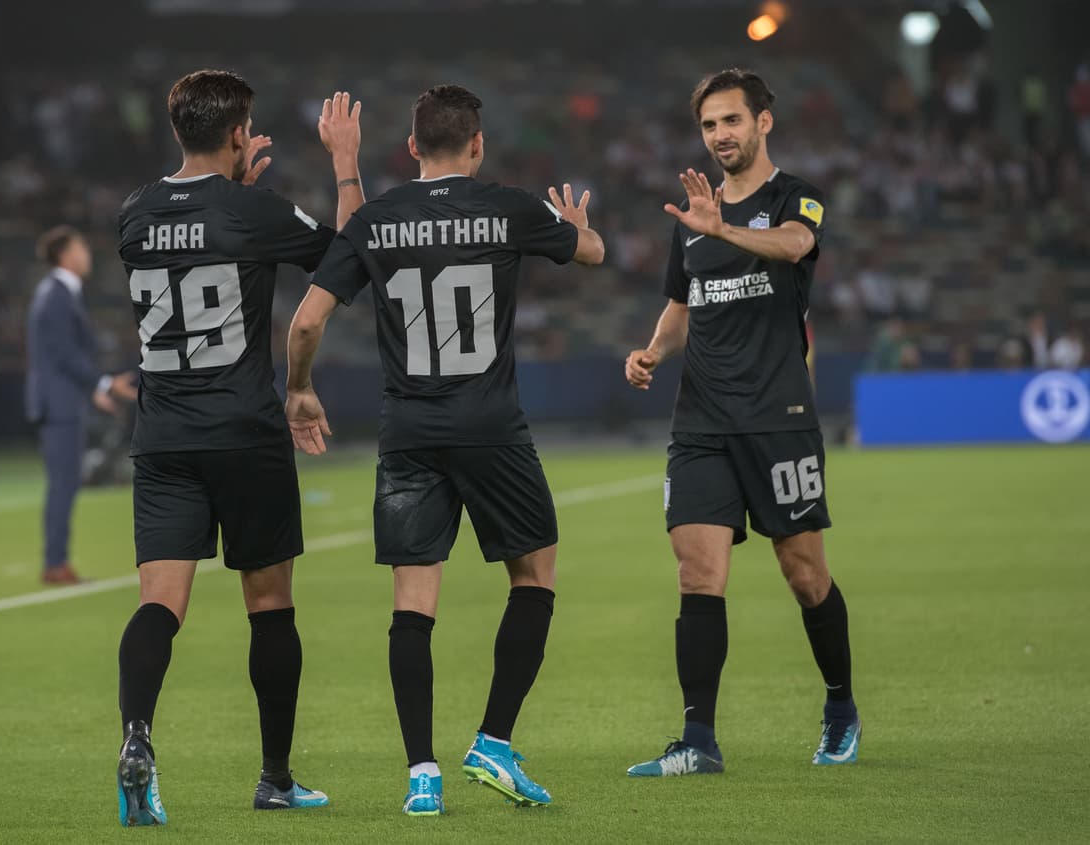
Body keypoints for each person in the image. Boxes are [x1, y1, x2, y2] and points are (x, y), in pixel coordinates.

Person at [284, 84, 604, 816]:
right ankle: (493, 741)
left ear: (412, 148)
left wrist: (299, 388)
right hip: (492, 426)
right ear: (477, 145)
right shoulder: (511, 206)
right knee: (535, 577)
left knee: (412, 604)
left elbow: (306, 320)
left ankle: (420, 772)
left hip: (411, 434)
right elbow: (591, 252)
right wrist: (578, 226)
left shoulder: (376, 218)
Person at [112, 70, 364, 826]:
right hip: (244, 431)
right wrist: (345, 162)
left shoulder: (134, 213)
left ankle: (136, 738)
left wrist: (233, 185)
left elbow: (195, 232)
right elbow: (348, 253)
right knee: (270, 604)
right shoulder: (252, 210)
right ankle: (276, 777)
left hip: (162, 436)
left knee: (160, 602)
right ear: (235, 133)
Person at [623, 69, 861, 777]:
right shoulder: (695, 216)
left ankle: (841, 706)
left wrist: (723, 227)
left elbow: (793, 246)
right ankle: (698, 739)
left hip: (778, 416)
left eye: (731, 120)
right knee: (698, 573)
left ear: (764, 123)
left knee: (805, 572)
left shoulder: (797, 196)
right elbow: (683, 302)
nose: (720, 135)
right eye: (708, 125)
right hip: (700, 419)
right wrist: (652, 351)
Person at [25, 225, 133, 585]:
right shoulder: (56, 294)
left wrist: (93, 393)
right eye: (82, 248)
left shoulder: (61, 293)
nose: (87, 254)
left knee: (66, 484)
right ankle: (55, 564)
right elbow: (64, 353)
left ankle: (57, 561)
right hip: (58, 405)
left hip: (64, 400)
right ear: (65, 254)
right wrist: (102, 383)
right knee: (63, 485)